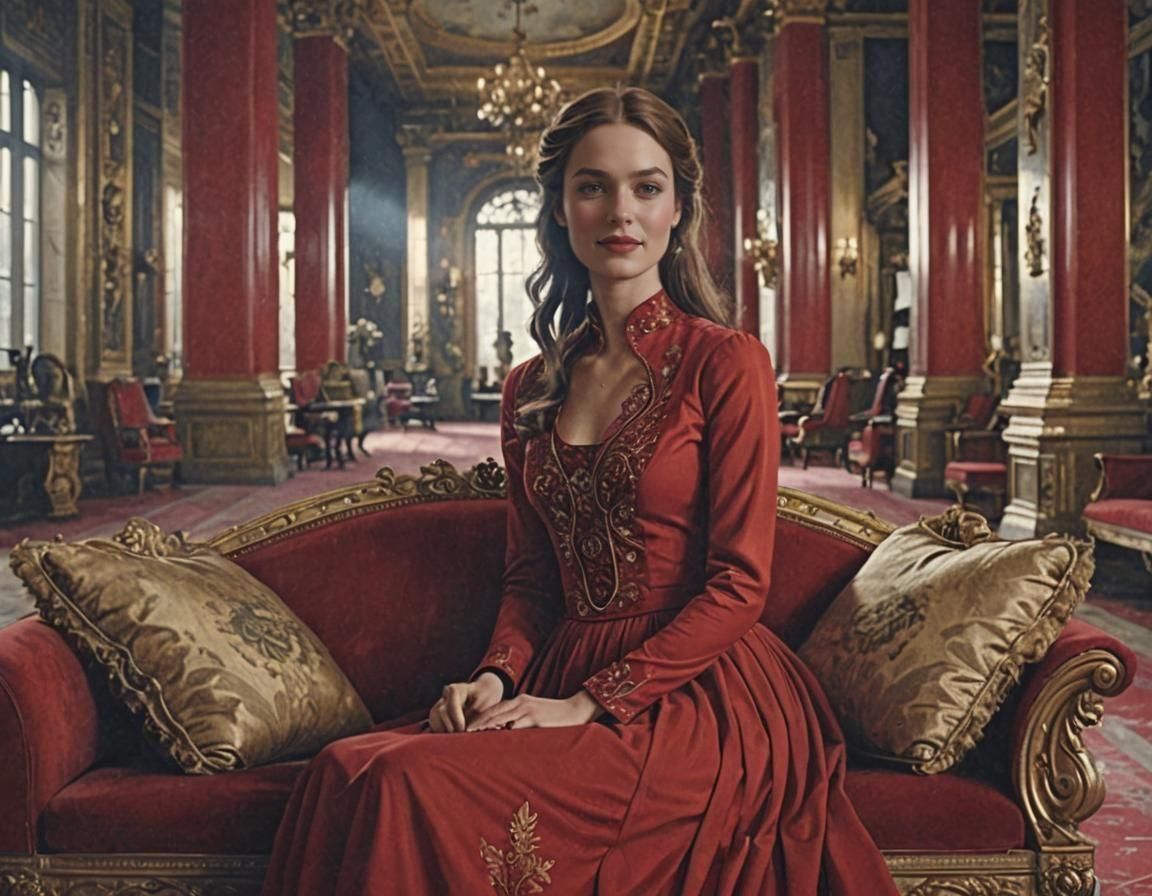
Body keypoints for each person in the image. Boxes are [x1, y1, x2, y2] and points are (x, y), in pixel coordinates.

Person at [261, 86, 898, 895]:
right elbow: (531, 579)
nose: (620, 211)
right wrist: (494, 678)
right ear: (561, 210)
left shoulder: (726, 361)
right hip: (557, 667)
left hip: (698, 694)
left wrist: (590, 704)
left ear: (678, 211)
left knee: (401, 783)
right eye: (592, 186)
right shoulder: (531, 383)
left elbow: (740, 584)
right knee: (344, 768)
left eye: (647, 186)